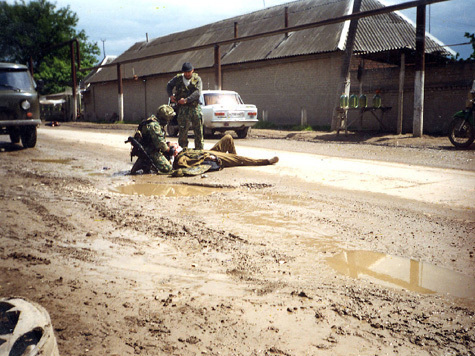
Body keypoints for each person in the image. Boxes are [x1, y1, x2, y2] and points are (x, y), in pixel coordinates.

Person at [170, 134, 279, 176]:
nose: (176, 143)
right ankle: (266, 161)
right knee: (238, 159)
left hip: (209, 152)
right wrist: (207, 158)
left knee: (228, 137)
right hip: (212, 158)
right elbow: (189, 165)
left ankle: (235, 159)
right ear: (174, 151)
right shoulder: (181, 158)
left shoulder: (184, 151)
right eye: (174, 144)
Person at [129, 104, 176, 174]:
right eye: (169, 118)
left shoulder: (151, 120)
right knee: (168, 169)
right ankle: (146, 163)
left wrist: (167, 144)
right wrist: (169, 150)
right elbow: (160, 144)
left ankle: (146, 163)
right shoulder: (154, 126)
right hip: (150, 151)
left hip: (147, 148)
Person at [166, 62, 204, 150]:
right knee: (183, 132)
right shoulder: (178, 78)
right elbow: (169, 85)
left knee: (198, 132)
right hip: (183, 109)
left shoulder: (197, 79)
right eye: (185, 72)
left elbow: (197, 93)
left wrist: (187, 100)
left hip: (195, 108)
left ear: (192, 71)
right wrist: (171, 95)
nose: (187, 74)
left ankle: (199, 151)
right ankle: (183, 151)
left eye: (189, 72)